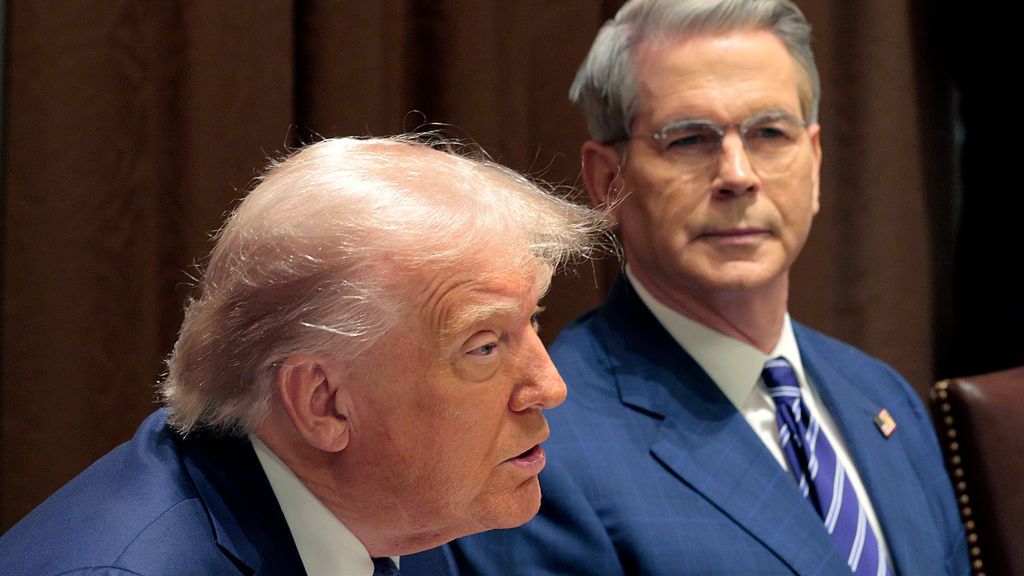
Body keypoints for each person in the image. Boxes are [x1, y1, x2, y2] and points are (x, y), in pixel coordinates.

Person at [442, 1, 970, 574]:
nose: (739, 175)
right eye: (689, 139)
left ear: (814, 163)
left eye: (770, 132)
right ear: (608, 181)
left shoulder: (883, 396)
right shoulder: (539, 449)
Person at [0, 136, 604, 576]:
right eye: (484, 346)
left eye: (532, 322)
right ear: (324, 404)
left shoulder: (400, 515)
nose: (548, 385)